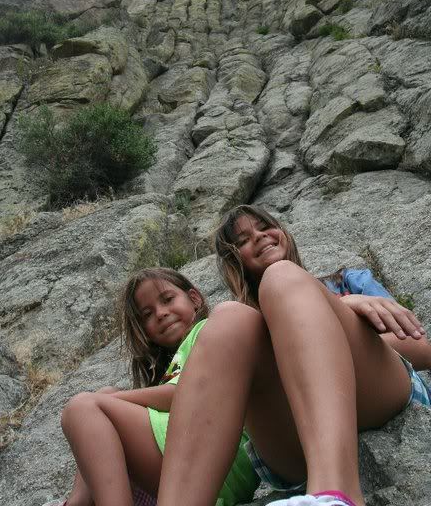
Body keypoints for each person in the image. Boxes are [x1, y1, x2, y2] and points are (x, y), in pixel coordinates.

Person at [155, 204, 431, 506]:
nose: (259, 237)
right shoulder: (244, 329)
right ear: (234, 262)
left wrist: (345, 307)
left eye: (264, 226)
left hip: (377, 392)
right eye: (243, 240)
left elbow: (421, 348)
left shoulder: (347, 283)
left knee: (282, 276)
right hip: (287, 443)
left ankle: (335, 493)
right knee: (226, 318)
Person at [46, 267, 259, 506]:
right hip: (199, 463)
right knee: (101, 399)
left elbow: (184, 395)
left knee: (83, 409)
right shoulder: (173, 366)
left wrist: (103, 404)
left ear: (194, 298)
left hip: (211, 457)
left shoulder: (207, 331)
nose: (160, 314)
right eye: (147, 314)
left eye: (167, 299)